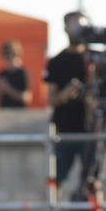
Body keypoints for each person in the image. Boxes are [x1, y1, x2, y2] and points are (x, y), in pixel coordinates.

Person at [43, 12, 95, 189]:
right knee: (56, 178)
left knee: (92, 181)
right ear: (65, 28)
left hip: (90, 128)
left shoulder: (93, 60)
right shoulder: (57, 61)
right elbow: (50, 99)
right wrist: (65, 95)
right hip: (65, 129)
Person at [0, 40, 31, 108]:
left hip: (19, 113)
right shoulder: (2, 74)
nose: (8, 57)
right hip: (4, 112)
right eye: (6, 54)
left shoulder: (23, 73)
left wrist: (7, 89)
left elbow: (26, 98)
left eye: (11, 54)